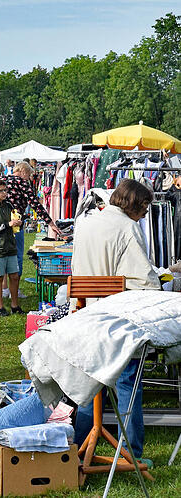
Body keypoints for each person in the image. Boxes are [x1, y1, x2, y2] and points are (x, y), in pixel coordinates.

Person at [71, 178, 160, 466]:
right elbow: (145, 280)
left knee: (91, 383)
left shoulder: (85, 222)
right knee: (127, 383)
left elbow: (78, 271)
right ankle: (133, 451)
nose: (146, 214)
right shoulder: (127, 227)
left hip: (86, 313)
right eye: (145, 208)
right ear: (137, 204)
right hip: (115, 318)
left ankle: (76, 445)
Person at [5, 162, 61, 274]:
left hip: (1, 223)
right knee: (17, 255)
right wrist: (51, 223)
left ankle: (4, 289)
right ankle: (14, 288)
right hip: (16, 223)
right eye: (28, 175)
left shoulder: (2, 180)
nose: (29, 178)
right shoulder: (22, 183)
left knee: (3, 257)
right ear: (23, 171)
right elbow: (35, 204)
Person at [0, 179, 22, 316]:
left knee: (14, 276)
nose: (4, 193)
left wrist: (19, 221)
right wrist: (8, 224)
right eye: (1, 191)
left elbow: (13, 220)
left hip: (10, 245)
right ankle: (0, 307)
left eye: (5, 190)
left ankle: (15, 305)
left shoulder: (8, 205)